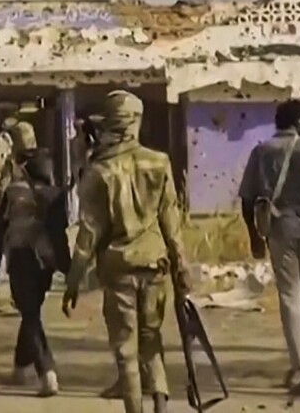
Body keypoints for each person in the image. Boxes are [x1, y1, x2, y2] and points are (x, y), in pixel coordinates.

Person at [61, 90, 190, 413]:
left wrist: (73, 281)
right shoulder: (159, 162)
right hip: (156, 266)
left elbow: (88, 235)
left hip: (119, 270)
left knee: (126, 352)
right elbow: (171, 223)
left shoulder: (98, 172)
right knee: (152, 340)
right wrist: (181, 267)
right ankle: (161, 403)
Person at [238, 99, 300, 398]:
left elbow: (247, 199)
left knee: (289, 297)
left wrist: (255, 236)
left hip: (279, 229)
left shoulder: (262, 151)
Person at [0, 139, 70, 397]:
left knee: (30, 314)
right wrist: (67, 268)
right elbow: (60, 234)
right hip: (44, 262)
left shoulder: (13, 193)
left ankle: (47, 372)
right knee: (30, 311)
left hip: (21, 259)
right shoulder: (56, 195)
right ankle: (20, 367)